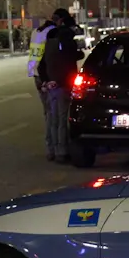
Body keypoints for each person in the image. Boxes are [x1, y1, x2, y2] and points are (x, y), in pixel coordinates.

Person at [39, 9, 83, 162]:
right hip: (63, 84)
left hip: (50, 84)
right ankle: (62, 152)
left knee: (52, 118)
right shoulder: (66, 42)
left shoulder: (47, 40)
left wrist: (46, 81)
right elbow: (70, 60)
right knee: (62, 119)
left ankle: (51, 149)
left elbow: (41, 64)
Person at [28, 15, 57, 155]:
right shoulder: (52, 32)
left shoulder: (36, 31)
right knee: (53, 113)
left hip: (36, 74)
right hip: (46, 75)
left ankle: (50, 148)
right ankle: (54, 148)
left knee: (47, 113)